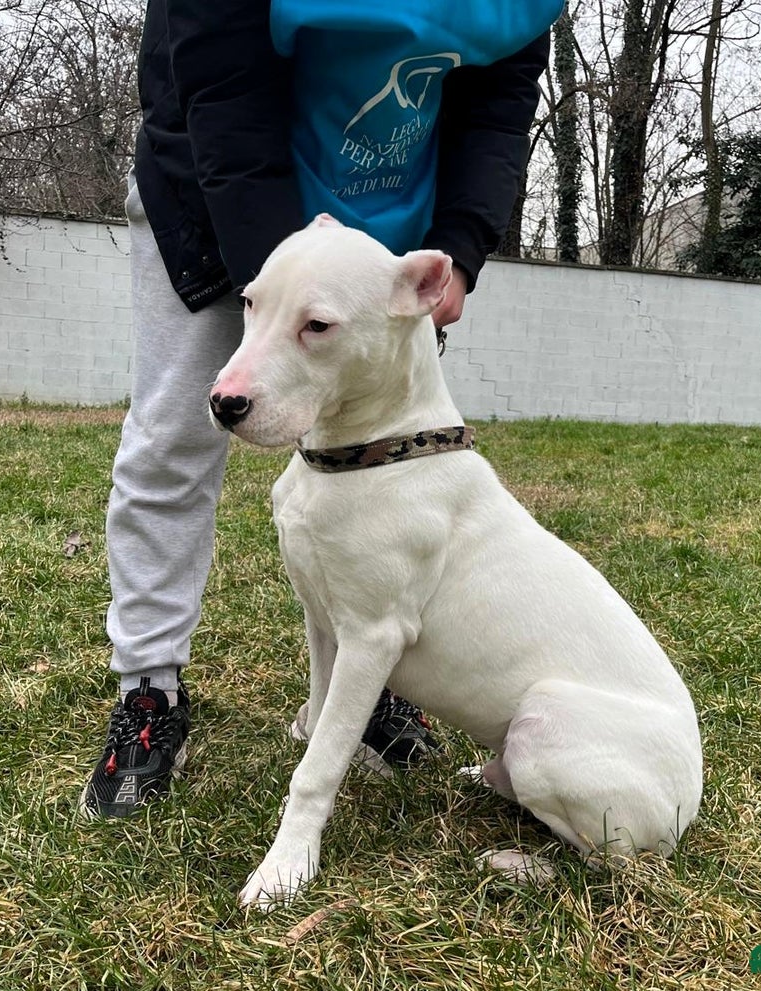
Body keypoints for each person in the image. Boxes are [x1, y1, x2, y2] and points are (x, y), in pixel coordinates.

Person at [81, 0, 563, 818]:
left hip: (380, 233)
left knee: (375, 467)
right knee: (172, 434)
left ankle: (361, 686)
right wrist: (286, 297)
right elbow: (221, 86)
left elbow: (500, 98)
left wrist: (462, 242)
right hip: (215, 181)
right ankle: (150, 689)